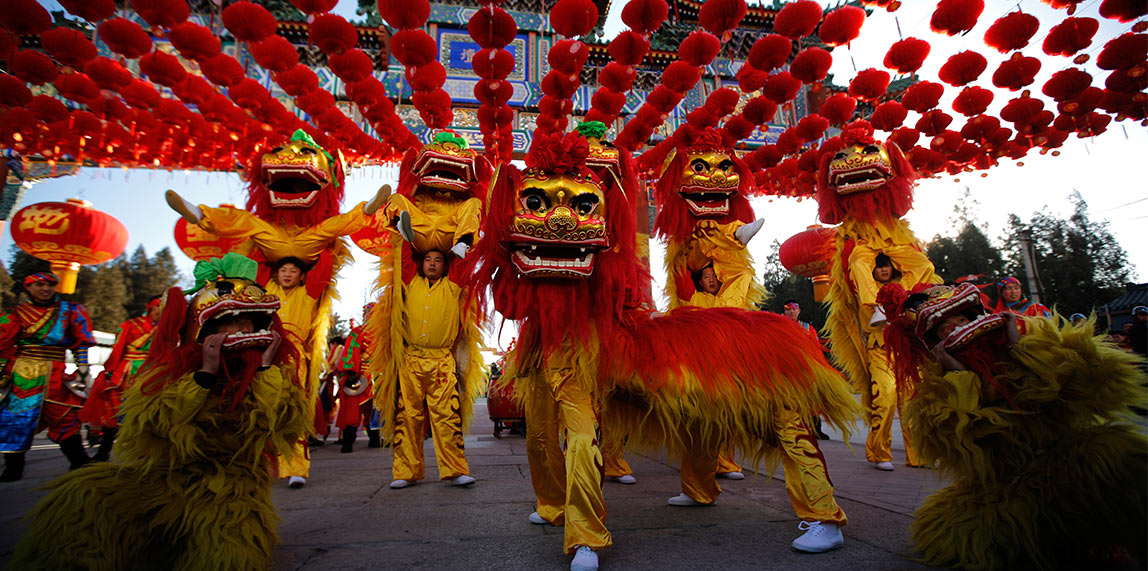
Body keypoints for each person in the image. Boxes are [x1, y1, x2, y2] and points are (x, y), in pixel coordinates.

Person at [389, 250, 475, 489]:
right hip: (411, 359)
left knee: (447, 416)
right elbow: (404, 252)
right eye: (428, 259)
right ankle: (406, 471)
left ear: (445, 265)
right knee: (408, 416)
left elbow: (464, 259)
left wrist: (460, 242)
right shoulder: (410, 281)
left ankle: (455, 469)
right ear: (421, 263)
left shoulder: (453, 285)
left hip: (442, 360)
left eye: (438, 260)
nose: (433, 264)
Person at [0, 272, 95, 482]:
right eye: (39, 285)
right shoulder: (15, 314)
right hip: (24, 374)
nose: (45, 289)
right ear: (28, 288)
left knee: (64, 416)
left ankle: (79, 461)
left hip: (56, 371)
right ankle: (13, 469)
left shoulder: (70, 311)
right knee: (16, 420)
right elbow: (3, 346)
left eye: (50, 285)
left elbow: (80, 342)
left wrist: (83, 367)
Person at [79, 295, 161, 462]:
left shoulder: (168, 328)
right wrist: (110, 370)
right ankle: (103, 452)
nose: (162, 309)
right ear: (150, 307)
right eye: (159, 305)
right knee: (113, 413)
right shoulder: (130, 325)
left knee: (148, 413)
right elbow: (118, 349)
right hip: (127, 372)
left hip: (152, 372)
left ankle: (145, 452)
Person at [861, 253, 919, 471]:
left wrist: (893, 247)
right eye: (879, 267)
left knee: (912, 399)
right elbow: (858, 265)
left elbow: (924, 266)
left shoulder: (906, 285)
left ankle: (918, 453)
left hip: (904, 348)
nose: (884, 270)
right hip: (879, 348)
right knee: (885, 395)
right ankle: (879, 452)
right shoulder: (864, 288)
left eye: (887, 266)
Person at [267, 256, 318, 488]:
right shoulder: (265, 292)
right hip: (266, 355)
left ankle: (296, 468)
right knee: (266, 410)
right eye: (283, 270)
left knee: (295, 411)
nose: (287, 274)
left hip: (295, 358)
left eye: (293, 271)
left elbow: (326, 262)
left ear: (302, 275)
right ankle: (267, 465)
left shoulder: (309, 294)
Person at [782, 300, 831, 440]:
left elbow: (816, 347)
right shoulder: (780, 327)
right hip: (788, 369)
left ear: (799, 311)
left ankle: (816, 429)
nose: (791, 312)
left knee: (812, 399)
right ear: (784, 312)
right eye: (788, 309)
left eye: (794, 309)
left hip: (807, 368)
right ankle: (792, 429)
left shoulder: (807, 328)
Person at [334, 304, 379, 453]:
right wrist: (351, 371)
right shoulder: (357, 332)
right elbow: (350, 351)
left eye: (373, 313)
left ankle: (375, 438)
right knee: (353, 410)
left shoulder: (385, 332)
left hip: (380, 376)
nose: (369, 315)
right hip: (361, 376)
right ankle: (348, 441)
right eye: (367, 312)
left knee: (377, 409)